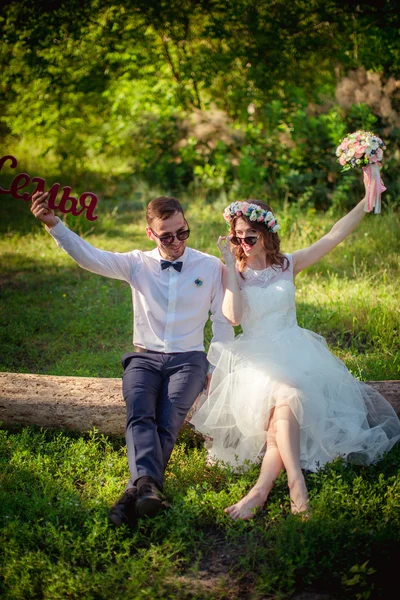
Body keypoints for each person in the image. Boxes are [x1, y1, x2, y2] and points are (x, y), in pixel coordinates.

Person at [190, 192, 400, 521]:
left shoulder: (287, 264)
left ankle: (260, 492)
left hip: (296, 349)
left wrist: (365, 199)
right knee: (286, 395)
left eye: (250, 235)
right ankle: (295, 483)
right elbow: (232, 317)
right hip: (256, 357)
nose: (242, 242)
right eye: (236, 236)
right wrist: (231, 269)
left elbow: (334, 235)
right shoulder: (234, 270)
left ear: (267, 233)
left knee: (282, 411)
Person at [30, 193, 233, 527]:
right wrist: (55, 225)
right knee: (139, 412)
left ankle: (131, 495)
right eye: (166, 236)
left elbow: (223, 324)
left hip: (189, 359)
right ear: (150, 234)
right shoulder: (138, 263)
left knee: (168, 420)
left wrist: (216, 367)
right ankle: (146, 489)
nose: (176, 242)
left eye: (183, 232)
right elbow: (91, 257)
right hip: (145, 358)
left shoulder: (210, 267)